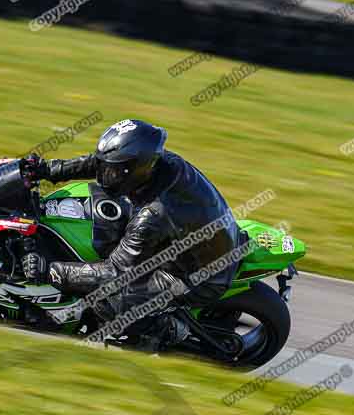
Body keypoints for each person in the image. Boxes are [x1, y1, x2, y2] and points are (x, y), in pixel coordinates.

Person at [19, 119, 241, 350]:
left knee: (108, 302)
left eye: (113, 172)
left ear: (134, 170)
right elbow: (99, 163)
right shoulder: (154, 162)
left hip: (194, 275)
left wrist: (51, 271)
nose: (105, 175)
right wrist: (47, 170)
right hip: (190, 239)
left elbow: (114, 272)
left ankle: (165, 331)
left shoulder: (153, 214)